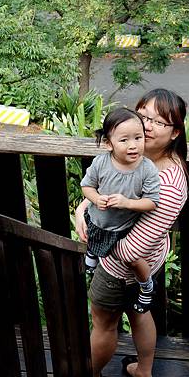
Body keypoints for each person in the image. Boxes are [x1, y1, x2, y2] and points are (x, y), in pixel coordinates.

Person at [75, 88, 188, 377]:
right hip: (143, 265)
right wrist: (83, 208)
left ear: (175, 132)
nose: (147, 126)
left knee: (103, 324)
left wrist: (98, 244)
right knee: (140, 313)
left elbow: (133, 247)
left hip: (119, 267)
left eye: (159, 122)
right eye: (143, 117)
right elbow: (101, 190)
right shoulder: (134, 160)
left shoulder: (168, 182)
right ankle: (143, 373)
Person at [81, 106, 160, 313]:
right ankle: (91, 255)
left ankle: (146, 286)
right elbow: (87, 186)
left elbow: (152, 202)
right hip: (98, 218)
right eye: (124, 140)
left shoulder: (147, 169)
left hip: (123, 227)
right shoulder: (101, 162)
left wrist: (127, 203)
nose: (133, 146)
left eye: (138, 138)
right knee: (92, 235)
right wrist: (96, 199)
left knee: (133, 259)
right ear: (109, 144)